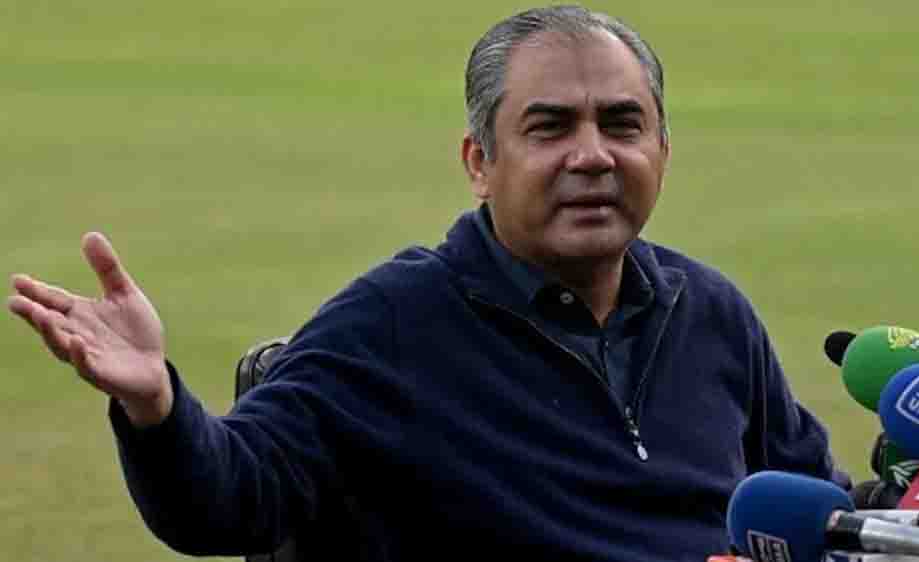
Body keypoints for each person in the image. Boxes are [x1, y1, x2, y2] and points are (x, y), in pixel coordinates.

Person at [7, 5, 848, 562]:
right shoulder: (394, 325)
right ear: (480, 163)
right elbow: (229, 500)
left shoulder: (710, 312)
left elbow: (818, 506)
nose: (593, 155)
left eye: (622, 124)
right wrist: (155, 407)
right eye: (550, 127)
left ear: (661, 151)